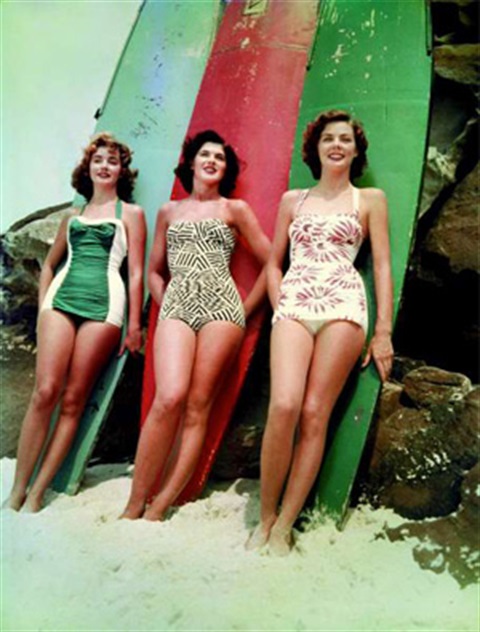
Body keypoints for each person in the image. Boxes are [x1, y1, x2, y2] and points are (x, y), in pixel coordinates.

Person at [246, 110, 394, 555]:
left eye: (344, 139)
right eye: (328, 138)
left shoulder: (369, 199)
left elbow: (382, 265)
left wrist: (383, 329)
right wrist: (281, 304)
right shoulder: (294, 200)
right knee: (285, 404)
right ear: (315, 148)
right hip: (295, 301)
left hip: (344, 304)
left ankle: (284, 525)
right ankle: (265, 514)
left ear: (355, 150)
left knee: (314, 412)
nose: (336, 145)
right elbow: (274, 262)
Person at [121, 130, 271, 520]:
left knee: (197, 406)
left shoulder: (234, 209)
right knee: (169, 396)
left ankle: (161, 504)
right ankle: (134, 502)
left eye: (219, 158)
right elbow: (154, 271)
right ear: (190, 162)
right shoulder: (169, 211)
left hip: (223, 307)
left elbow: (272, 261)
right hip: (178, 304)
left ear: (225, 169)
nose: (211, 161)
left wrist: (244, 306)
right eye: (205, 154)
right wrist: (164, 297)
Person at [8, 132, 147, 512]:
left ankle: (39, 492)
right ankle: (17, 489)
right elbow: (51, 264)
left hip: (104, 308)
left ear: (121, 171)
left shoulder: (131, 215)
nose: (105, 166)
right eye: (98, 159)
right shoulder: (72, 217)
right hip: (60, 302)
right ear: (88, 167)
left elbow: (135, 274)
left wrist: (134, 324)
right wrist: (42, 308)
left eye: (113, 161)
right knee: (45, 391)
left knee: (73, 400)